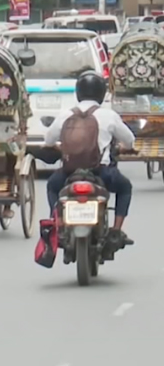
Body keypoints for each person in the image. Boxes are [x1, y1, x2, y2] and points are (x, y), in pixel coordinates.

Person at [43, 71, 135, 245]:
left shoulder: (65, 115)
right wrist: (125, 148)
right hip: (102, 172)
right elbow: (129, 141)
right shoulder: (109, 115)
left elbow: (48, 140)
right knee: (125, 188)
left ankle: (59, 223)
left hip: (69, 173)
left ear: (78, 92)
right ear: (102, 93)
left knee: (52, 187)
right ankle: (116, 230)